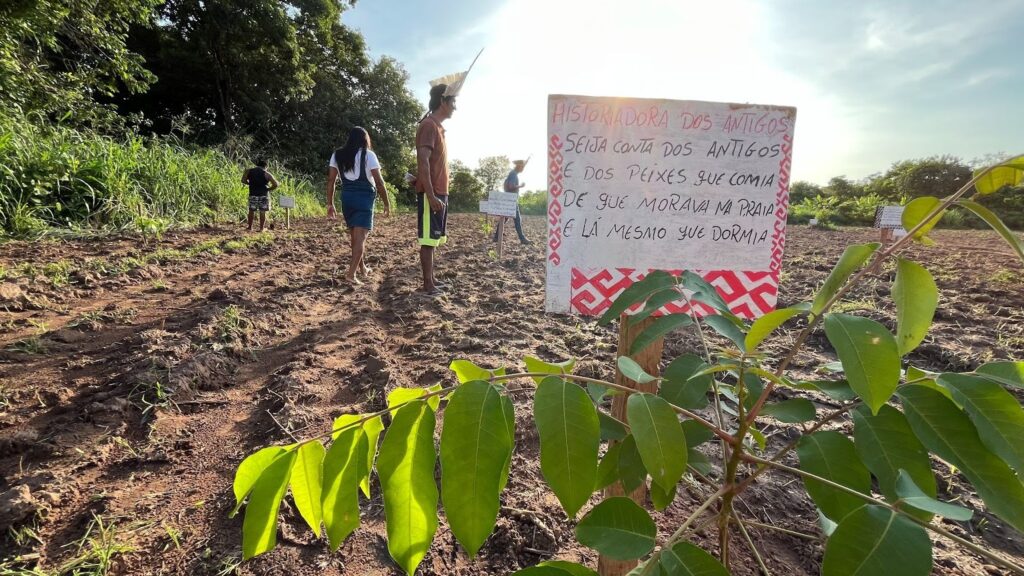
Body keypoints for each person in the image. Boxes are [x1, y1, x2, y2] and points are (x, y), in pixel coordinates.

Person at [326, 127, 392, 285]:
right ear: (365, 139)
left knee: (355, 237)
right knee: (360, 239)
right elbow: (380, 182)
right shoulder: (369, 155)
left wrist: (330, 203)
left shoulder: (338, 154)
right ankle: (351, 275)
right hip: (364, 199)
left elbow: (331, 181)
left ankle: (362, 268)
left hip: (347, 198)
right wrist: (387, 203)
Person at [415, 83, 456, 295]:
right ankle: (428, 285)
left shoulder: (438, 128)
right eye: (453, 102)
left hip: (440, 191)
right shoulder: (428, 126)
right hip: (432, 193)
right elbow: (423, 161)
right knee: (428, 240)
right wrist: (430, 195)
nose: (455, 107)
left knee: (434, 239)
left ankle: (431, 280)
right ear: (443, 101)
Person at [494, 159, 530, 244]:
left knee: (504, 219)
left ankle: (496, 237)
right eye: (522, 167)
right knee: (517, 220)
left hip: (509, 200)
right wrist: (520, 186)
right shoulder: (513, 174)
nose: (523, 169)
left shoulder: (512, 173)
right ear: (519, 166)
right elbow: (510, 186)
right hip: (511, 201)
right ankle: (522, 239)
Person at [242, 159, 279, 231]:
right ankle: (261, 228)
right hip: (263, 194)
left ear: (257, 165)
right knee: (262, 211)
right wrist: (269, 189)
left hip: (253, 193)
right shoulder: (267, 174)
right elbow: (276, 184)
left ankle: (249, 227)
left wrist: (250, 183)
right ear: (266, 166)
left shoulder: (249, 171)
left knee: (251, 210)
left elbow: (243, 180)